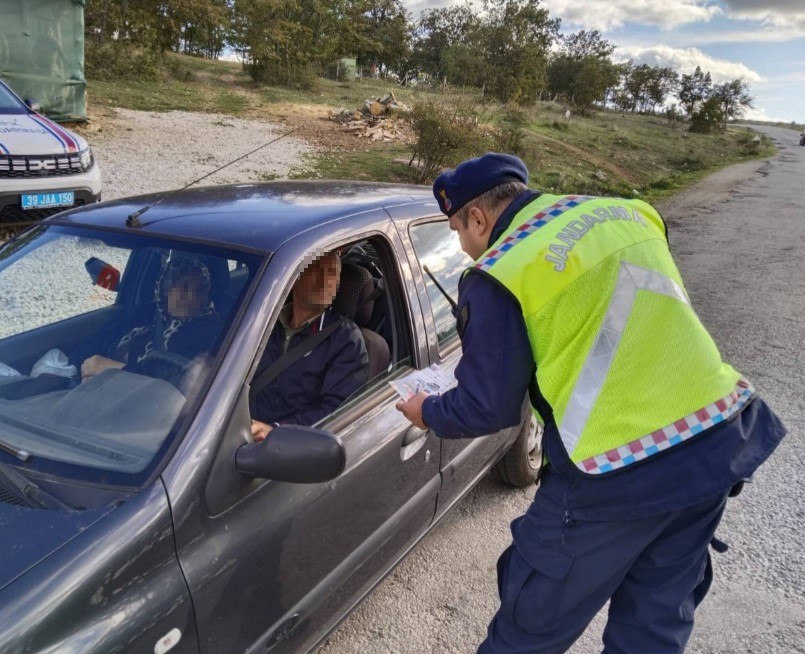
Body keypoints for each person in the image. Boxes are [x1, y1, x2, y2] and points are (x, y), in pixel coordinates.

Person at [395, 153, 786, 654]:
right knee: (653, 629)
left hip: (614, 471)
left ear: (477, 217)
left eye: (457, 232)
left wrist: (425, 410)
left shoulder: (502, 268)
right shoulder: (630, 212)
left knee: (527, 630)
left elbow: (486, 408)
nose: (465, 247)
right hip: (714, 442)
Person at [250, 251, 369, 442]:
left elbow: (336, 412)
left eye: (332, 273)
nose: (324, 280)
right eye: (315, 269)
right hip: (241, 433)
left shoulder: (346, 339)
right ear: (295, 277)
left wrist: (275, 430)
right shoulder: (265, 323)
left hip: (294, 446)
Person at [80, 256, 223, 383]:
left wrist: (115, 369)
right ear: (165, 289)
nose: (192, 296)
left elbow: (179, 385)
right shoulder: (142, 313)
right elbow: (93, 343)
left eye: (199, 289)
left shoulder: (211, 332)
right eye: (183, 287)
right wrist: (85, 369)